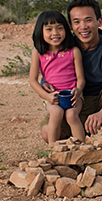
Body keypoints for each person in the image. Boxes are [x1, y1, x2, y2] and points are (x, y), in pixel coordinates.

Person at [40, 0, 102, 153]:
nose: (83, 26)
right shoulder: (63, 45)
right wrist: (45, 81)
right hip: (74, 102)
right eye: (76, 22)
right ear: (70, 25)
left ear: (99, 21)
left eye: (88, 20)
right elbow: (49, 66)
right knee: (47, 133)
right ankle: (76, 140)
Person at [29, 10, 86, 146]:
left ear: (66, 30)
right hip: (52, 96)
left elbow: (81, 78)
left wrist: (78, 90)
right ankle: (53, 150)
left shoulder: (73, 51)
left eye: (59, 28)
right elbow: (32, 80)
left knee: (71, 115)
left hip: (73, 95)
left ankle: (83, 150)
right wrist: (46, 96)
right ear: (40, 31)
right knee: (56, 113)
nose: (55, 33)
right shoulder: (38, 53)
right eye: (49, 29)